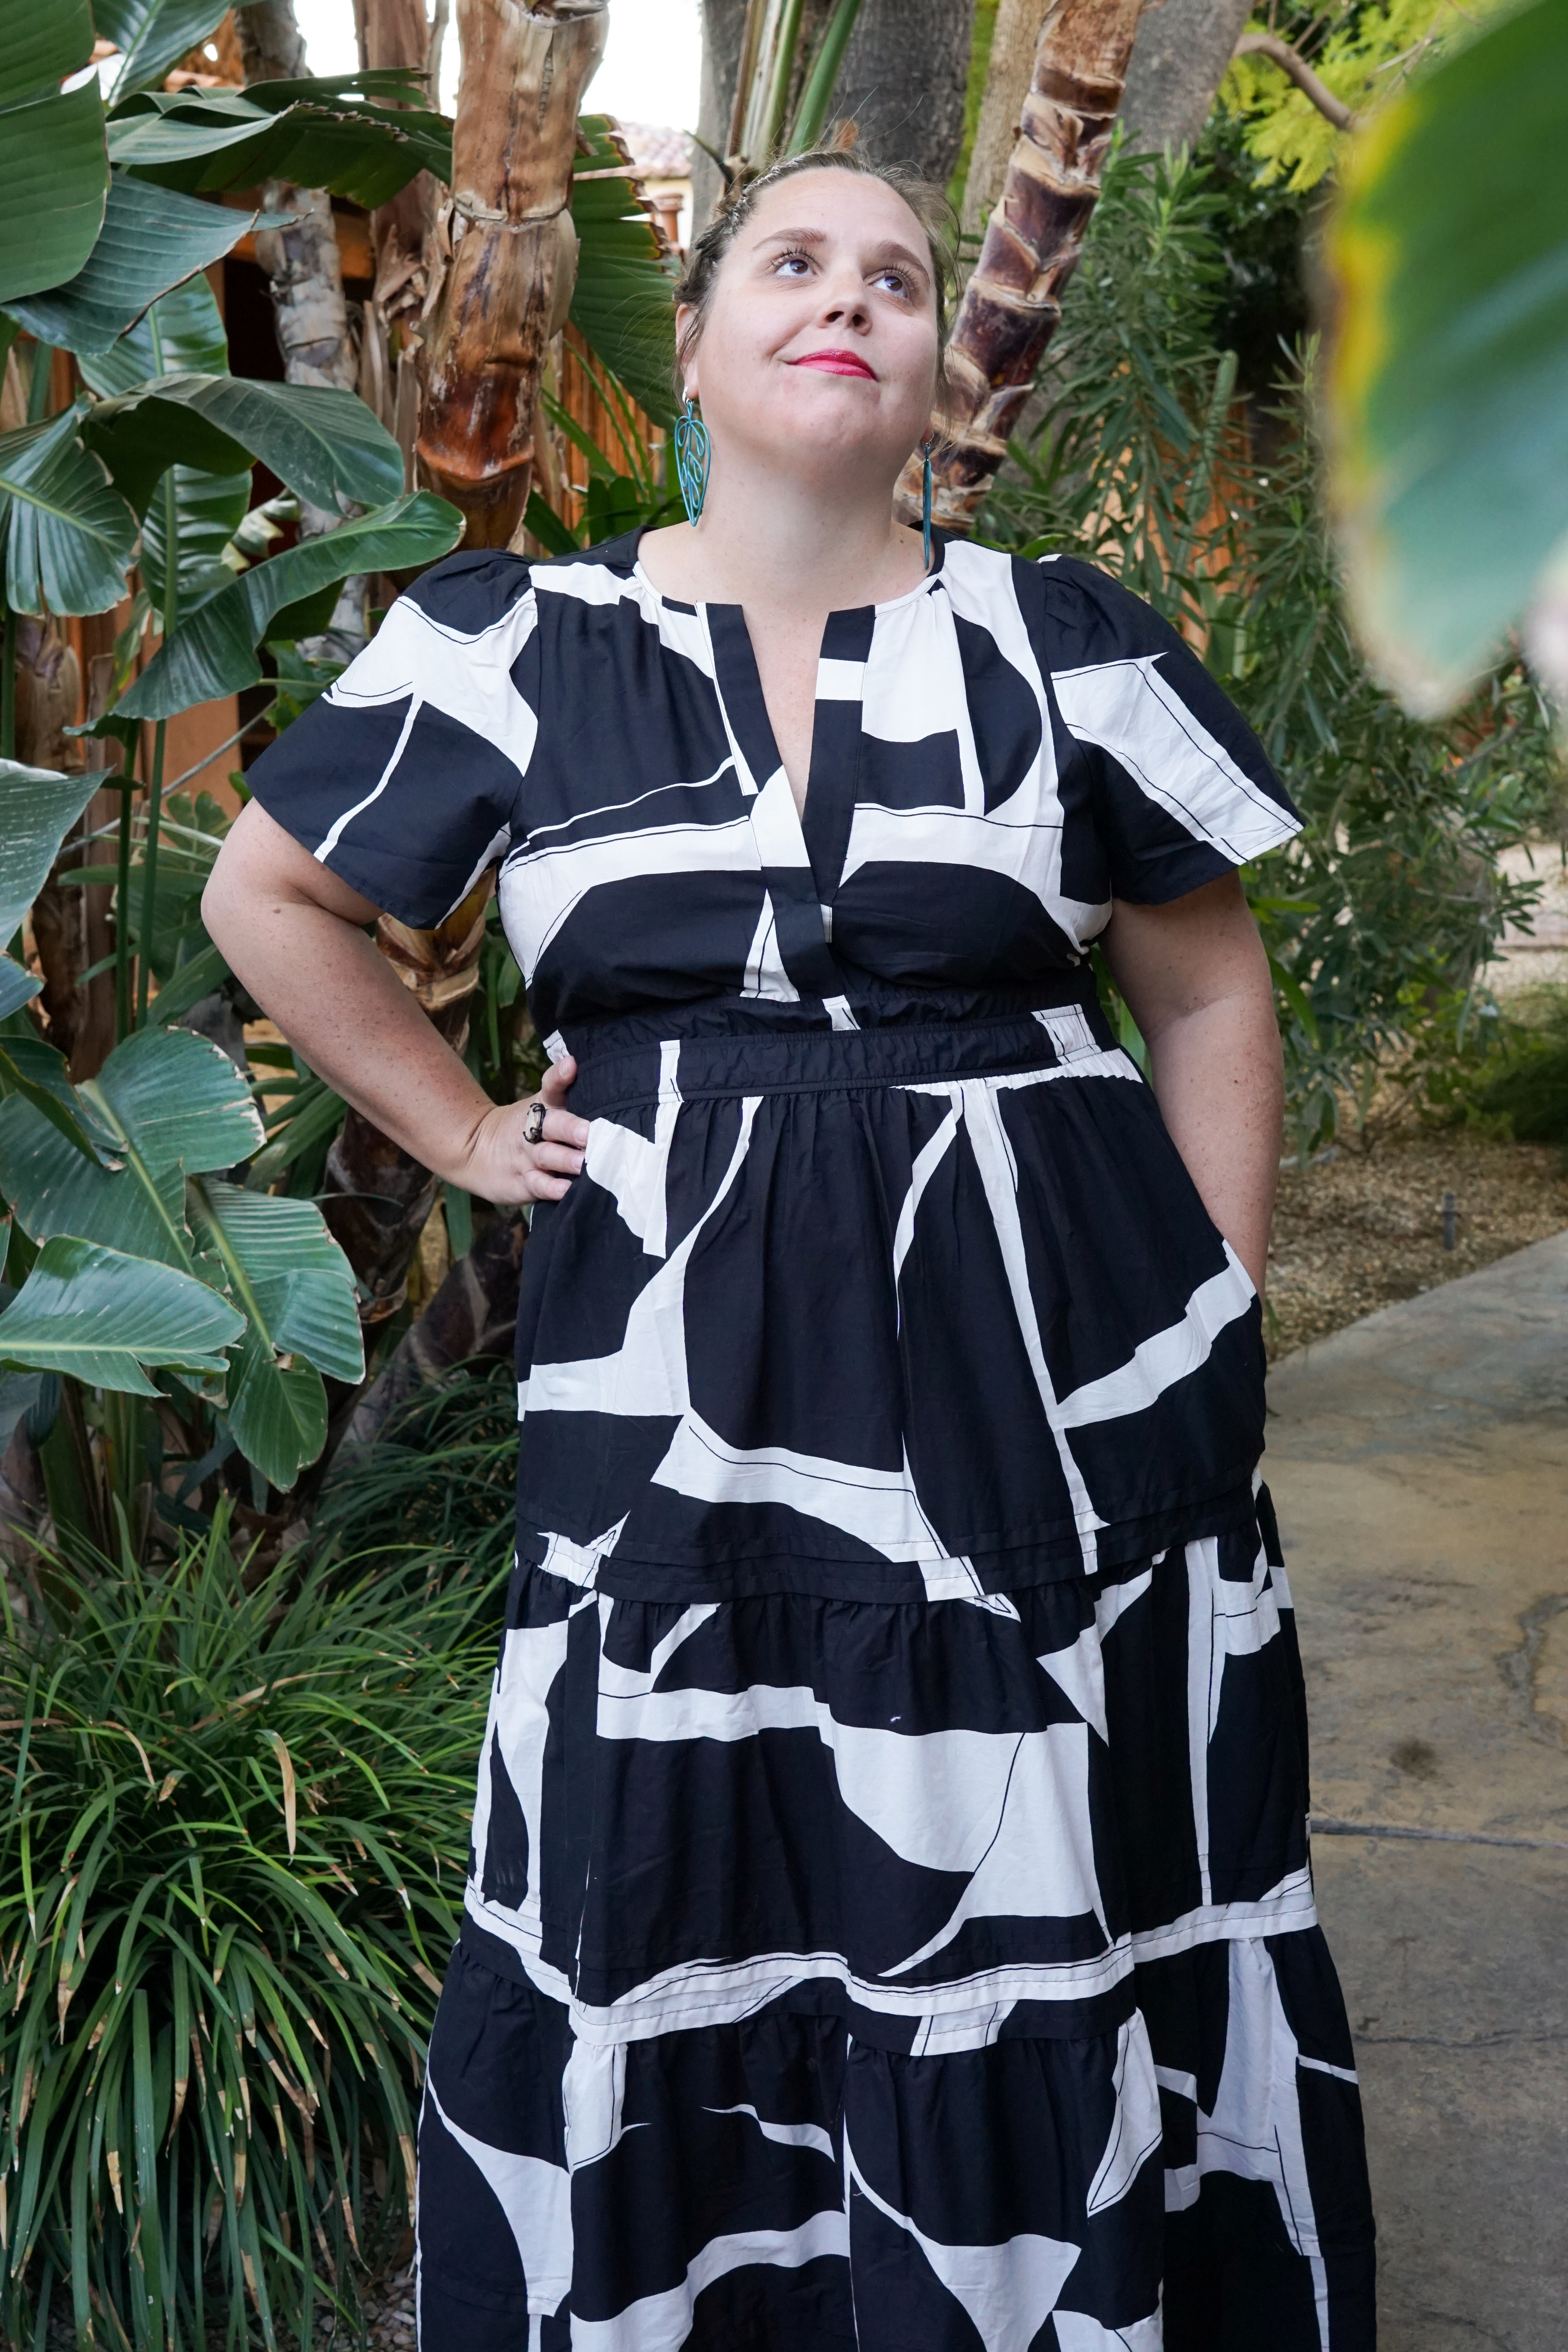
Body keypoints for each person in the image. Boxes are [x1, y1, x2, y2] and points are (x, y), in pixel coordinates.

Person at [205, 147, 1375, 2352]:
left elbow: (1210, 991)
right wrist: (459, 1126)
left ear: (944, 359)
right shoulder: (510, 646)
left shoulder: (1065, 644)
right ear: (711, 335)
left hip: (1061, 1416)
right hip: (677, 1434)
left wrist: (1210, 1317)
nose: (854, 301)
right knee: (674, 1856)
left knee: (1057, 1871)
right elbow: (267, 899)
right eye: (797, 262)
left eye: (904, 279)